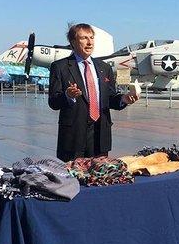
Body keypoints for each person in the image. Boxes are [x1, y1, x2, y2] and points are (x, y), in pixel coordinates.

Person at [48, 24, 138, 161]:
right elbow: (53, 102)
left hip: (100, 135)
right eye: (84, 38)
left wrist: (123, 99)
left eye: (91, 38)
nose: (90, 42)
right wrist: (68, 95)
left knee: (98, 178)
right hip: (73, 137)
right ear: (73, 42)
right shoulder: (59, 67)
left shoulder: (104, 68)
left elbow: (110, 97)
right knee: (73, 179)